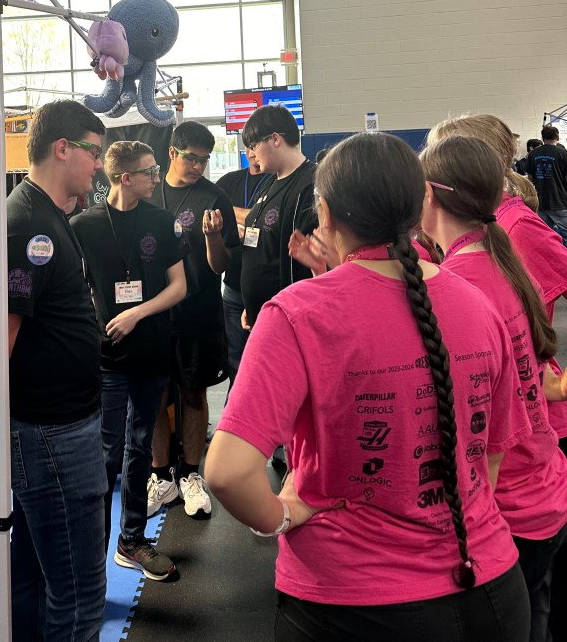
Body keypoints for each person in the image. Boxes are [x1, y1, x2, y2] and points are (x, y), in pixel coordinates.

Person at [205, 132, 531, 642]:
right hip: (493, 590)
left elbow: (226, 473)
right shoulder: (477, 303)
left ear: (325, 214)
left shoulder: (297, 313)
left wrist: (281, 516)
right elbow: (489, 459)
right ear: (420, 206)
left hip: (353, 604)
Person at [0, 100, 107, 642]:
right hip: (52, 435)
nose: (99, 164)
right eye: (93, 152)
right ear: (62, 148)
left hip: (49, 429)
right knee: (78, 594)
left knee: (32, 577)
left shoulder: (42, 215)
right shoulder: (27, 227)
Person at [422, 134, 567, 641]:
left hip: (510, 508)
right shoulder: (492, 259)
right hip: (542, 491)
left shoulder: (459, 283)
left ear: (429, 195)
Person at [71, 140, 186, 581]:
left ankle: (132, 539)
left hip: (152, 352)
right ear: (125, 178)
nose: (156, 177)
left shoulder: (160, 220)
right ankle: (92, 554)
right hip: (107, 358)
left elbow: (179, 286)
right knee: (105, 453)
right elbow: (74, 288)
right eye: (149, 171)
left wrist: (137, 313)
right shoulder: (83, 226)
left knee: (140, 447)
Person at [147, 121, 239, 521]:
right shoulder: (149, 193)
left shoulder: (214, 198)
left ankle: (189, 473)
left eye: (204, 160)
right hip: (153, 314)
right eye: (191, 158)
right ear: (172, 153)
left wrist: (212, 238)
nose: (198, 167)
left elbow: (221, 266)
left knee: (193, 392)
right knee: (154, 394)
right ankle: (160, 475)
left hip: (198, 313)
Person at [239, 104, 317, 330]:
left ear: (275, 139)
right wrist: (252, 303)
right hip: (262, 313)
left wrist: (285, 313)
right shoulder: (271, 182)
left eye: (254, 145)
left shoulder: (310, 185)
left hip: (287, 318)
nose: (251, 154)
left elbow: (305, 265)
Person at [215, 151, 273, 384]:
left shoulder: (277, 182)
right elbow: (211, 211)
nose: (253, 152)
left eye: (258, 146)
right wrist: (250, 218)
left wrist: (232, 212)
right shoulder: (229, 181)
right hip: (233, 288)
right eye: (250, 147)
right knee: (235, 360)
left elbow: (267, 221)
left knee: (267, 360)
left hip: (267, 290)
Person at [527, 126, 567, 245]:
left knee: (546, 236)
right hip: (560, 201)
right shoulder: (564, 153)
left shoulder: (533, 154)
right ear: (558, 137)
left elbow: (530, 178)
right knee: (565, 234)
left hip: (541, 201)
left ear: (543, 138)